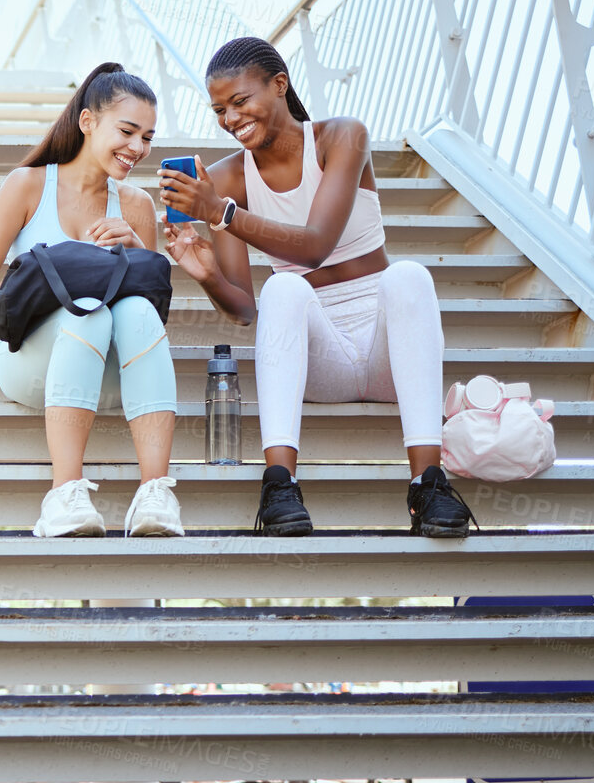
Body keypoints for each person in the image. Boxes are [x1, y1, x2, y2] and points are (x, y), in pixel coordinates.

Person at [158, 36, 473, 538]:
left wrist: (220, 214)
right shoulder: (228, 179)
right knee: (283, 290)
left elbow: (315, 246)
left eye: (241, 101)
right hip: (319, 360)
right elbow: (243, 307)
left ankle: (428, 484)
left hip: (391, 352)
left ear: (279, 85)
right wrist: (207, 274)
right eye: (219, 109)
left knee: (409, 275)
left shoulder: (341, 137)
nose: (231, 118)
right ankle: (280, 484)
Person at [0, 62, 183, 538]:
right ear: (87, 122)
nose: (137, 149)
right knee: (88, 310)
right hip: (39, 363)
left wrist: (138, 250)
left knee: (131, 308)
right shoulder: (28, 185)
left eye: (147, 137)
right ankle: (65, 494)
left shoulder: (137, 205)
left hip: (112, 375)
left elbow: (149, 313)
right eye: (127, 131)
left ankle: (156, 494)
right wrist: (41, 294)